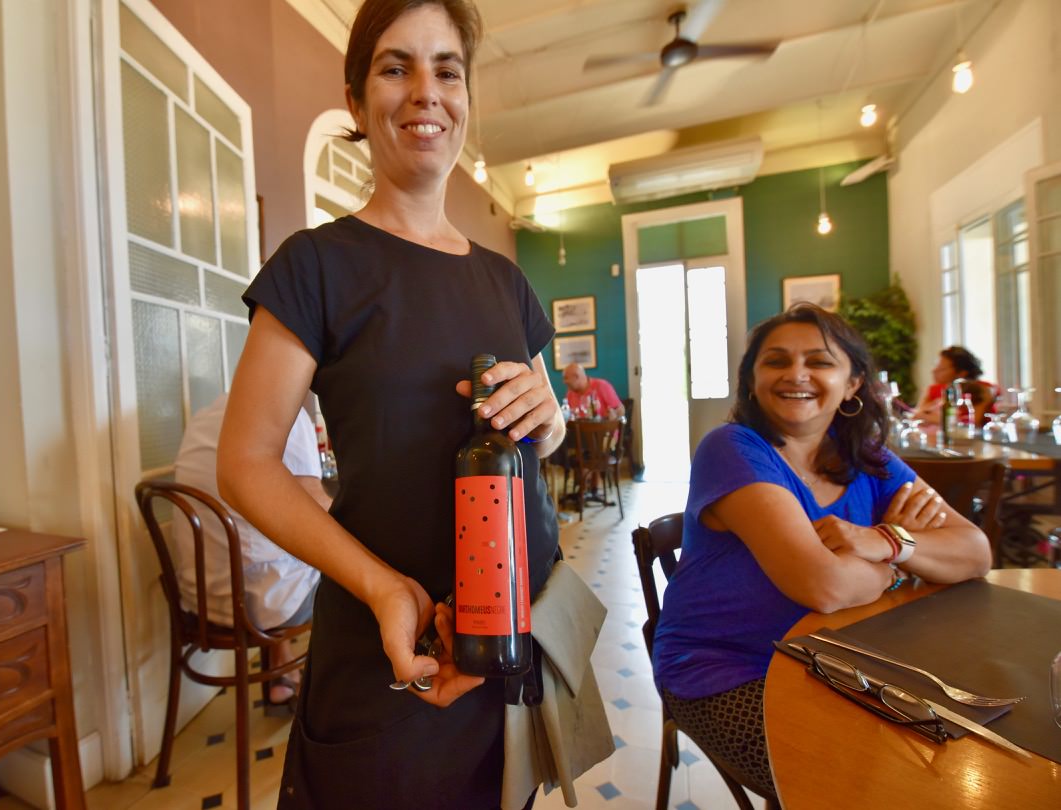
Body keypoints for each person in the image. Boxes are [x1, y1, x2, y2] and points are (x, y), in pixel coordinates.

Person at [215, 0, 566, 806]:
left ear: (466, 99)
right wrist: (381, 588)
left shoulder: (504, 281)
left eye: (447, 70)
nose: (425, 92)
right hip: (389, 649)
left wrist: (549, 423)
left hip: (513, 637)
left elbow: (539, 433)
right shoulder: (316, 266)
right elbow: (245, 464)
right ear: (354, 100)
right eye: (394, 67)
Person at [652, 304, 991, 796]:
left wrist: (883, 540)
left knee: (956, 753)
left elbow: (975, 551)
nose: (796, 374)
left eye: (819, 360)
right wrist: (901, 566)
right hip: (728, 672)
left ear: (853, 383)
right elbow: (823, 586)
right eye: (776, 361)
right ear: (751, 379)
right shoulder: (732, 448)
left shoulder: (867, 457)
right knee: (867, 785)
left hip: (843, 660)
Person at [173, 394, 329, 708]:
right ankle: (333, 699)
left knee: (272, 550)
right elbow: (316, 507)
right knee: (345, 566)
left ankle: (280, 678)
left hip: (199, 597)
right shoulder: (284, 414)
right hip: (258, 604)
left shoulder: (204, 417)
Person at [913, 345, 998, 425]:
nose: (934, 371)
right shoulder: (933, 389)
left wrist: (930, 416)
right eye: (936, 366)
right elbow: (916, 416)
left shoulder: (982, 390)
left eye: (942, 369)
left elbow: (973, 422)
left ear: (962, 373)